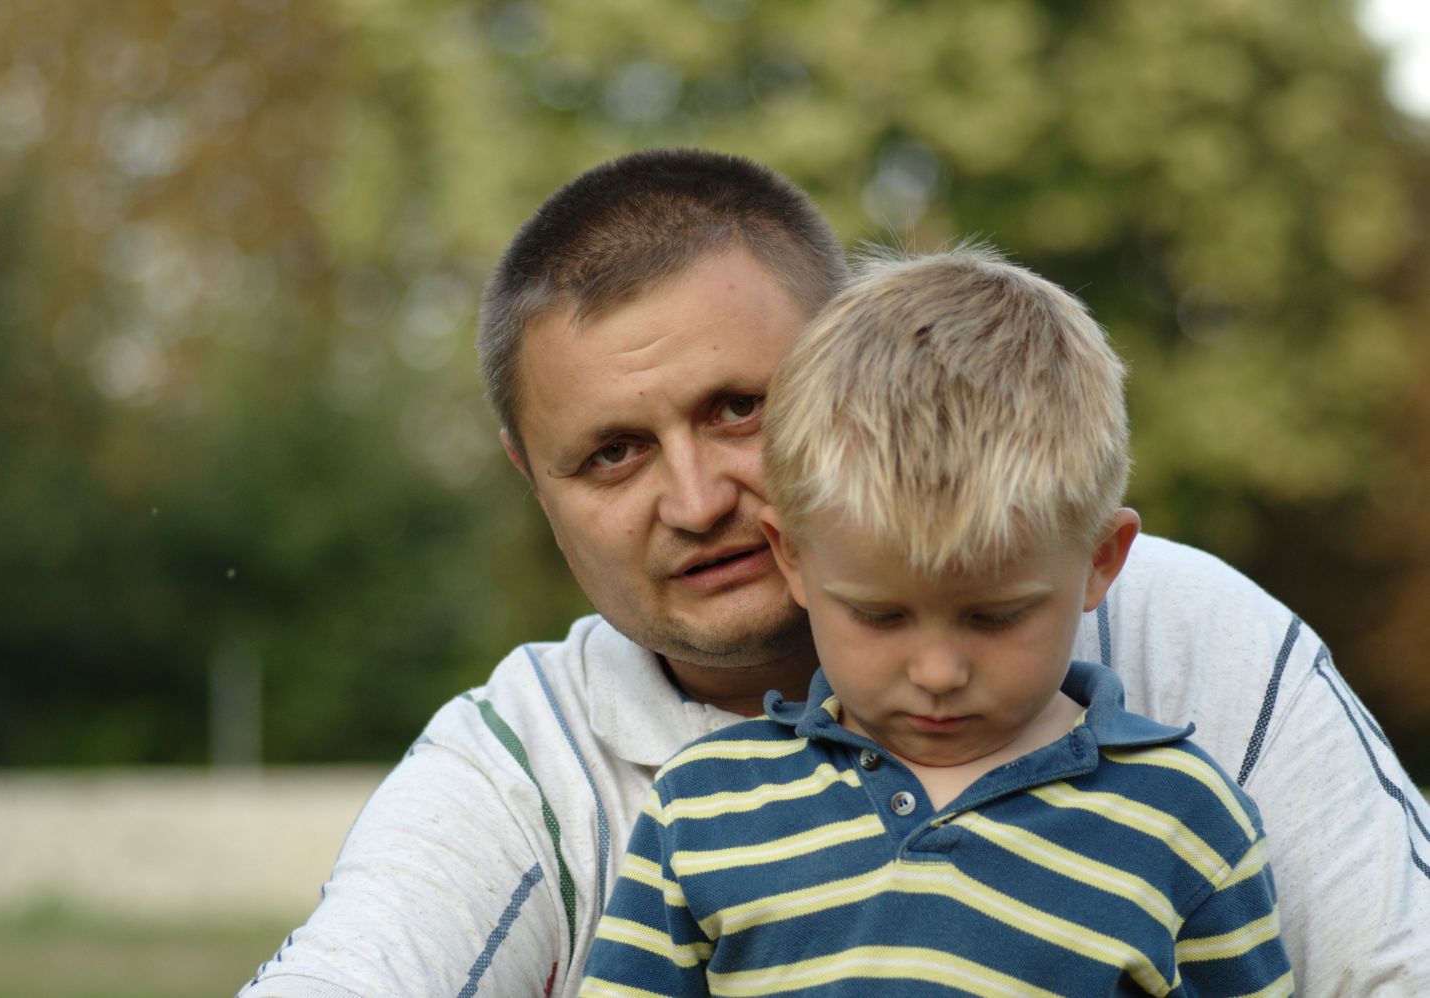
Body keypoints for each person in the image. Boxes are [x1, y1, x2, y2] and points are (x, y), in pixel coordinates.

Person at [238, 149, 1429, 998]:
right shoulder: (515, 767)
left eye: (738, 406)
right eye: (611, 454)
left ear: (854, 364)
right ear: (531, 480)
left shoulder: (1182, 624)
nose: (697, 500)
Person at [579, 245, 1293, 995]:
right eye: (880, 616)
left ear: (1100, 560)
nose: (938, 673)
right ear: (792, 558)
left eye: (994, 617)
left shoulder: (1185, 823)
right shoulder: (704, 808)